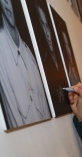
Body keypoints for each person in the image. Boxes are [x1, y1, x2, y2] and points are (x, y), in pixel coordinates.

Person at [0, 0, 51, 129]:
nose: (7, 7)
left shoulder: (29, 54)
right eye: (3, 2)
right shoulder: (2, 51)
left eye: (9, 1)